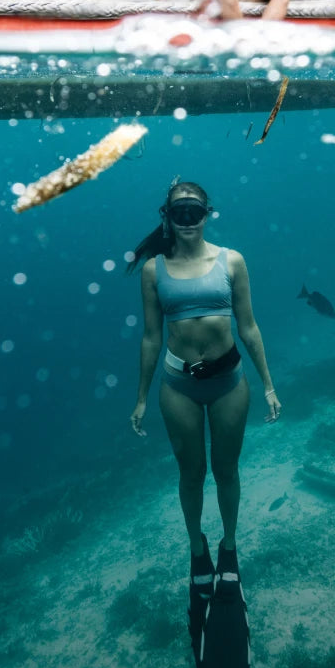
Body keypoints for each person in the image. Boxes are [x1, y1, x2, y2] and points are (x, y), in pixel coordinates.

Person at [128, 179, 280, 623]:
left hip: (229, 382)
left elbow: (248, 327)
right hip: (179, 387)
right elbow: (151, 338)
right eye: (180, 212)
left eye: (194, 211)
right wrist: (140, 398)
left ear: (207, 213)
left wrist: (269, 384)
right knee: (191, 474)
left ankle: (229, 547)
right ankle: (198, 550)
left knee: (226, 470)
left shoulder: (232, 261)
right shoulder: (153, 271)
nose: (188, 219)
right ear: (167, 217)